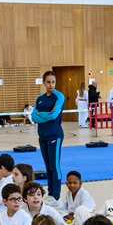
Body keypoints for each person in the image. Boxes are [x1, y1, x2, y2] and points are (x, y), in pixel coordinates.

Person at [30, 70, 65, 204]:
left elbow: (54, 115)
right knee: (48, 166)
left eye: (53, 82)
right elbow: (33, 117)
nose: (51, 85)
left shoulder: (59, 97)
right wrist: (43, 115)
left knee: (55, 166)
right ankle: (50, 193)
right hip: (43, 136)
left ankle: (55, 195)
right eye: (48, 82)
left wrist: (40, 114)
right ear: (44, 83)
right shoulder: (39, 98)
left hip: (55, 135)